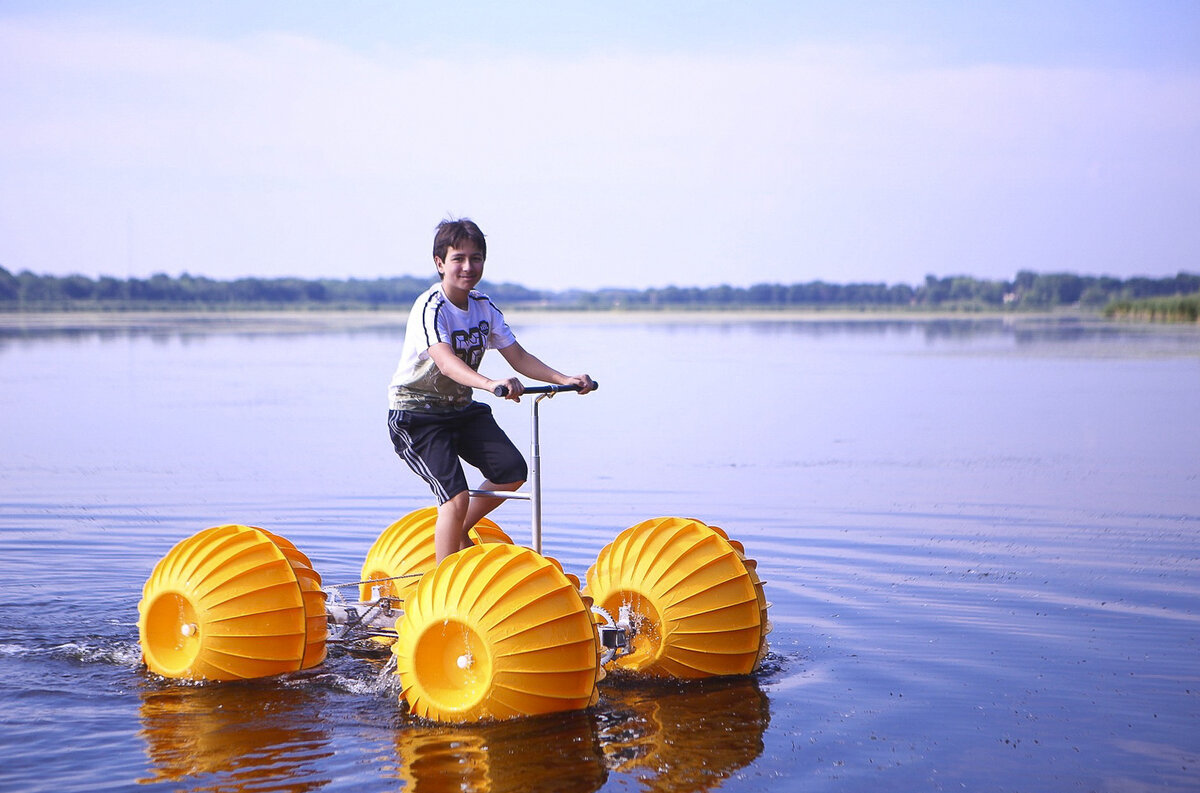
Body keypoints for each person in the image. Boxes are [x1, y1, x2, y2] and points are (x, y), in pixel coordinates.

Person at [387, 218, 595, 561]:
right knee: (455, 498)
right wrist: (490, 384)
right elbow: (446, 362)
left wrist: (564, 379)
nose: (468, 267)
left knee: (512, 472)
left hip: (460, 411)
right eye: (458, 259)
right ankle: (444, 585)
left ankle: (455, 533)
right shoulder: (430, 307)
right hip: (417, 415)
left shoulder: (483, 306)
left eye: (476, 258)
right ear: (440, 263)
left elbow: (518, 357)